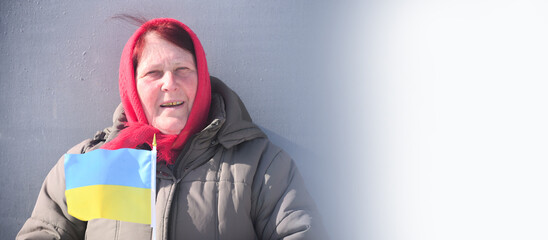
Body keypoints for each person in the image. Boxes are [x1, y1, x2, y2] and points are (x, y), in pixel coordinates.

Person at [17, 18, 327, 239]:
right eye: (153, 73)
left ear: (201, 78)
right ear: (133, 87)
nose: (170, 84)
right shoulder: (90, 162)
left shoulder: (262, 164)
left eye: (183, 70)